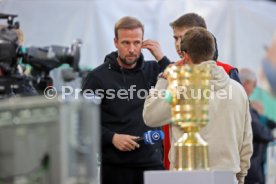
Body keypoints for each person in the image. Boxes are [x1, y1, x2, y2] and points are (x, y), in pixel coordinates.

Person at [143, 27, 253, 184]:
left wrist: (163, 79)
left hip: (186, 179)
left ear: (185, 55)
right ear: (212, 51)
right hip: (227, 178)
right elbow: (246, 142)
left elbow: (150, 116)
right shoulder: (238, 90)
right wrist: (240, 177)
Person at [82, 16, 170, 184]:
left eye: (137, 43)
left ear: (143, 43)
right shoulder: (97, 77)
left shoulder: (154, 70)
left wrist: (162, 58)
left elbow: (184, 86)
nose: (132, 49)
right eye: (126, 43)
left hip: (153, 163)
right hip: (116, 167)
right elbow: (83, 119)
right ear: (116, 42)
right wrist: (112, 137)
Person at [161, 12, 242, 169]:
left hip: (216, 166)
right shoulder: (168, 73)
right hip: (176, 166)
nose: (178, 44)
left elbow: (241, 122)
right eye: (175, 38)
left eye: (183, 37)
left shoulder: (227, 72)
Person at [239, 68, 275, 184]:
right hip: (250, 167)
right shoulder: (243, 104)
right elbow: (257, 128)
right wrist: (272, 135)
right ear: (246, 83)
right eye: (253, 85)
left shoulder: (242, 103)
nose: (253, 90)